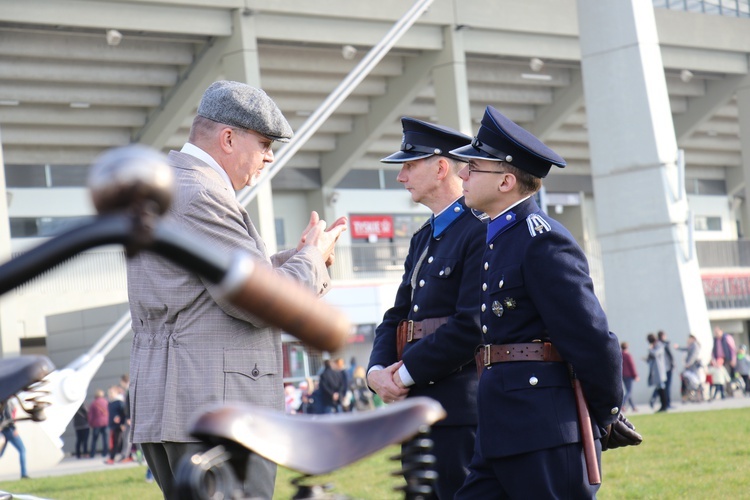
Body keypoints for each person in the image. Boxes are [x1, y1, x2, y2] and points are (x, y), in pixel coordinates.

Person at [126, 80, 346, 499]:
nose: (269, 156)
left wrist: (299, 257)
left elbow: (216, 282)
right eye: (264, 143)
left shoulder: (168, 186)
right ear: (228, 138)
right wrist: (313, 257)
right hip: (217, 410)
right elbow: (260, 303)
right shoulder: (202, 194)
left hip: (176, 405)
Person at [450, 105, 626, 499]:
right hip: (501, 429)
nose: (463, 173)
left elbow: (591, 338)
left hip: (544, 433)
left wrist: (608, 413)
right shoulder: (498, 239)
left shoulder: (541, 240)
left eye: (474, 167)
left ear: (506, 181)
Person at [366, 117, 484, 499]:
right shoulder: (424, 239)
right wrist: (377, 371)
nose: (402, 177)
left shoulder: (479, 230)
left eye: (409, 165)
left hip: (457, 411)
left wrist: (403, 377)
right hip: (415, 409)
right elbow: (396, 318)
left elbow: (471, 325)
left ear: (441, 167)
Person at [0, 401, 29, 479]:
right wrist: (14, 428)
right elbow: (9, 417)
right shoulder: (7, 402)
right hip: (9, 429)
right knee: (22, 450)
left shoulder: (3, 401)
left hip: (3, 430)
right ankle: (24, 474)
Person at [674, 334, 704, 402]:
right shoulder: (691, 346)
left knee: (696, 381)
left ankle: (698, 395)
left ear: (693, 339)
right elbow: (686, 349)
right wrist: (678, 347)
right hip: (690, 368)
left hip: (693, 368)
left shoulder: (695, 346)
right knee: (689, 381)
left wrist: (688, 364)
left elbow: (693, 356)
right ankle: (691, 395)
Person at [647, 333, 668, 412]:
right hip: (655, 370)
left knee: (662, 388)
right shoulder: (655, 346)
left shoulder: (659, 345)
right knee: (659, 388)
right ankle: (663, 405)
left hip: (659, 370)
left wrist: (650, 349)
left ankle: (664, 406)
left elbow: (655, 353)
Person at [105, 385, 126, 465]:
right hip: (113, 425)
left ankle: (112, 458)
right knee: (118, 442)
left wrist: (121, 422)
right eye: (109, 393)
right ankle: (125, 455)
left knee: (117, 442)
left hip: (118, 425)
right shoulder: (111, 403)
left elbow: (123, 413)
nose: (110, 394)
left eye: (111, 393)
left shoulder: (119, 402)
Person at [88, 389, 109, 458]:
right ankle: (105, 453)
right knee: (105, 439)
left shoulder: (93, 403)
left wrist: (91, 423)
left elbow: (90, 415)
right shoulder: (106, 402)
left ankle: (92, 453)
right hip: (105, 423)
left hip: (96, 424)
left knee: (94, 439)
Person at [118, 374, 134, 463]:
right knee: (127, 437)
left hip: (130, 418)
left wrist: (129, 417)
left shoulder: (130, 389)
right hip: (129, 417)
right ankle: (127, 455)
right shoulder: (129, 389)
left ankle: (125, 455)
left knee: (127, 437)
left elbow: (129, 404)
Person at [621, 342, 639, 413]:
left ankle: (633, 407)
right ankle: (622, 404)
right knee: (629, 391)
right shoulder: (628, 355)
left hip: (622, 375)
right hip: (629, 375)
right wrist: (635, 375)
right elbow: (632, 366)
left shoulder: (620, 355)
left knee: (628, 391)